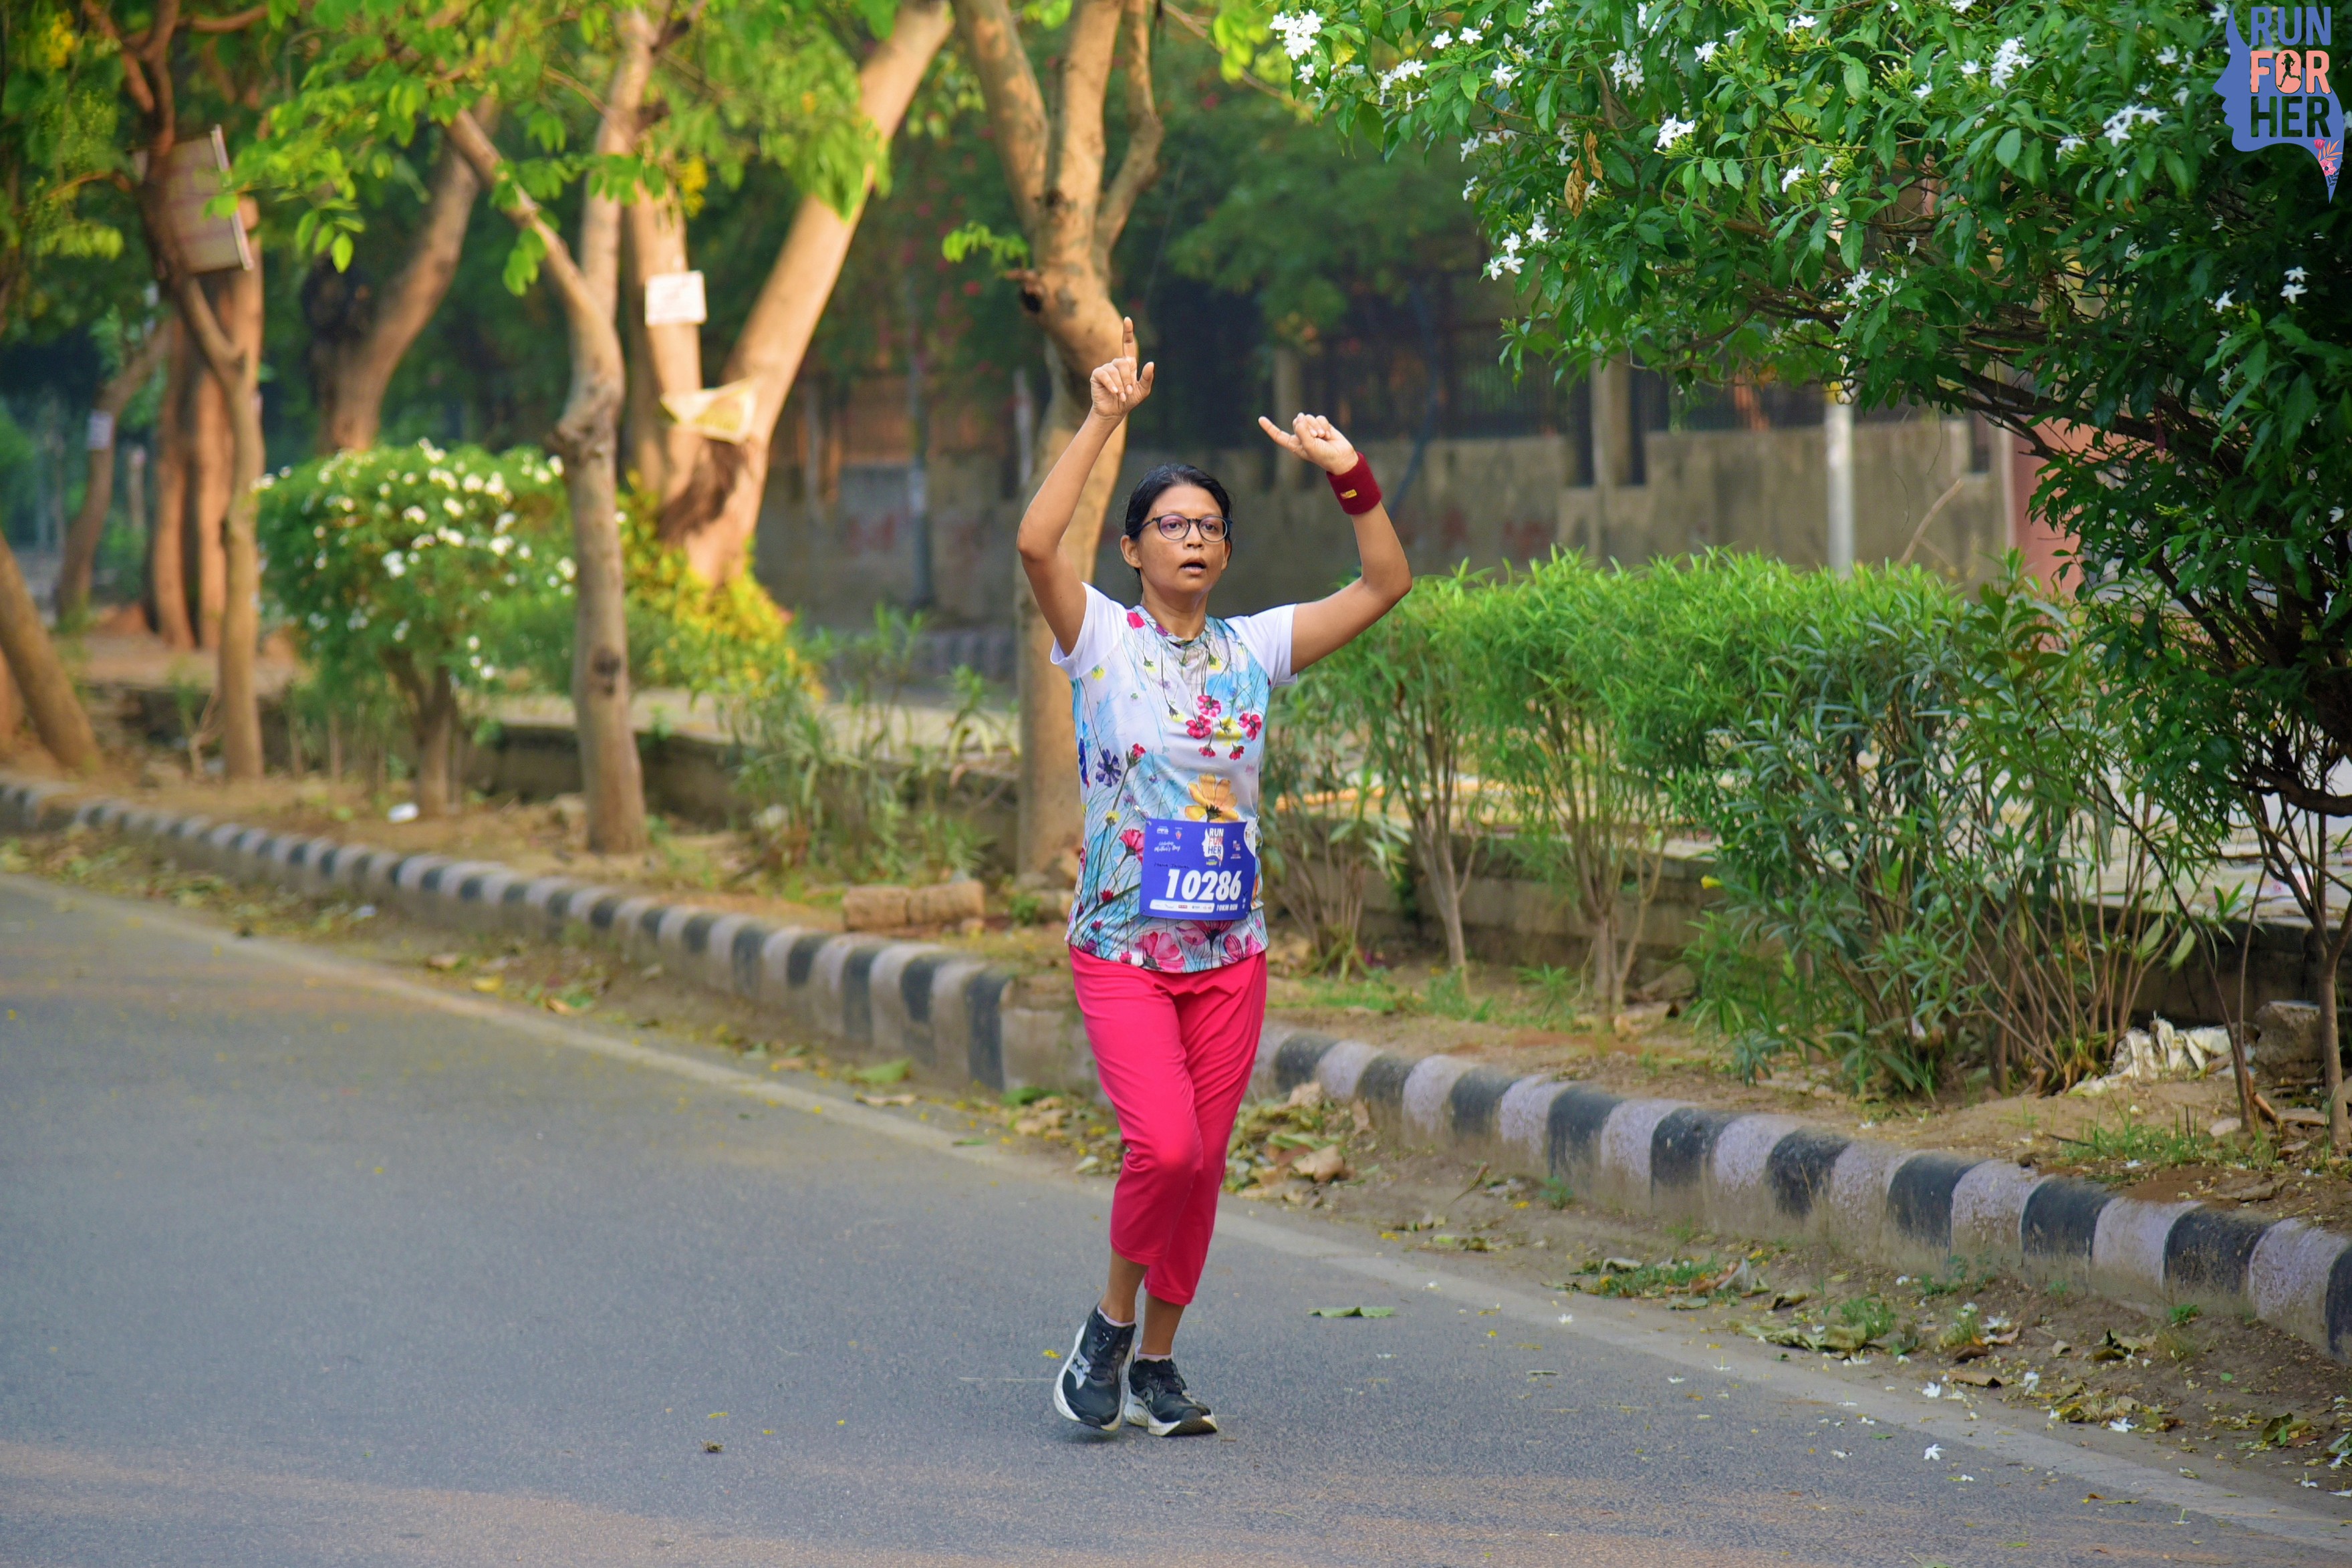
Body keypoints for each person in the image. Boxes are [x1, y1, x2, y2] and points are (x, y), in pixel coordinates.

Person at [1022, 319, 1412, 1436]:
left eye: (1208, 526)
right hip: (1122, 944)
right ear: (1133, 549)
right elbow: (1038, 544)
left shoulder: (1255, 647)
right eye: (1170, 524)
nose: (1191, 538)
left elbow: (1385, 581)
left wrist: (1348, 472)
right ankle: (1108, 1325)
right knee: (1166, 1145)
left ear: (1226, 553)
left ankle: (1155, 1363)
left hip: (1230, 951)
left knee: (1203, 1165)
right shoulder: (1101, 639)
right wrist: (1103, 418)